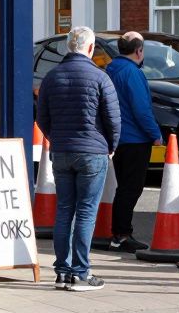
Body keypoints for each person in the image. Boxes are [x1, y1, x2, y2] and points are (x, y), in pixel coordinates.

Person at [36, 26, 120, 291]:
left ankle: (62, 272)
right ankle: (81, 273)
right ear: (91, 48)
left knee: (64, 211)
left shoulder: (51, 77)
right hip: (93, 152)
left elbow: (41, 117)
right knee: (85, 211)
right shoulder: (100, 77)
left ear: (68, 47)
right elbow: (113, 118)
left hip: (61, 151)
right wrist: (111, 146)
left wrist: (56, 138)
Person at [105, 31, 162, 252]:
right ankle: (122, 234)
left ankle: (118, 233)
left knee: (123, 187)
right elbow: (141, 109)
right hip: (136, 139)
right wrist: (155, 134)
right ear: (139, 51)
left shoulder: (111, 70)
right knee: (131, 188)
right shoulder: (132, 73)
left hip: (119, 138)